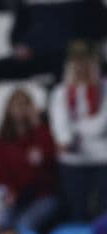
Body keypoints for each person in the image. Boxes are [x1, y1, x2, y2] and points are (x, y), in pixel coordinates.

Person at [48, 41, 107, 220]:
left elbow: (100, 126)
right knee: (77, 213)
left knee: (103, 212)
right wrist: (66, 137)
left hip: (102, 160)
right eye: (76, 63)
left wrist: (74, 130)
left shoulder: (105, 89)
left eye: (86, 62)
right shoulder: (60, 92)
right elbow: (59, 126)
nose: (81, 67)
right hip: (72, 161)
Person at [0, 88, 59, 234]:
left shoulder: (42, 133)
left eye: (25, 105)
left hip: (43, 196)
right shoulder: (1, 143)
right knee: (4, 224)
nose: (20, 110)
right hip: (16, 198)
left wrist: (37, 123)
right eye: (16, 105)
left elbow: (50, 160)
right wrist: (6, 193)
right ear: (8, 109)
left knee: (25, 226)